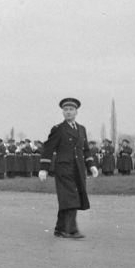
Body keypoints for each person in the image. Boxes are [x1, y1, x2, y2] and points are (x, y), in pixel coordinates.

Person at [39, 98, 98, 239]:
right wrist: (44, 168)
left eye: (71, 110)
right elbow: (48, 148)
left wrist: (92, 165)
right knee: (71, 197)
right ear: (62, 112)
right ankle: (70, 230)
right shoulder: (58, 129)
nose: (68, 112)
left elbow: (86, 150)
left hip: (78, 168)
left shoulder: (82, 129)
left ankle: (60, 229)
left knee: (70, 197)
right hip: (64, 168)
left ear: (76, 112)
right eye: (65, 110)